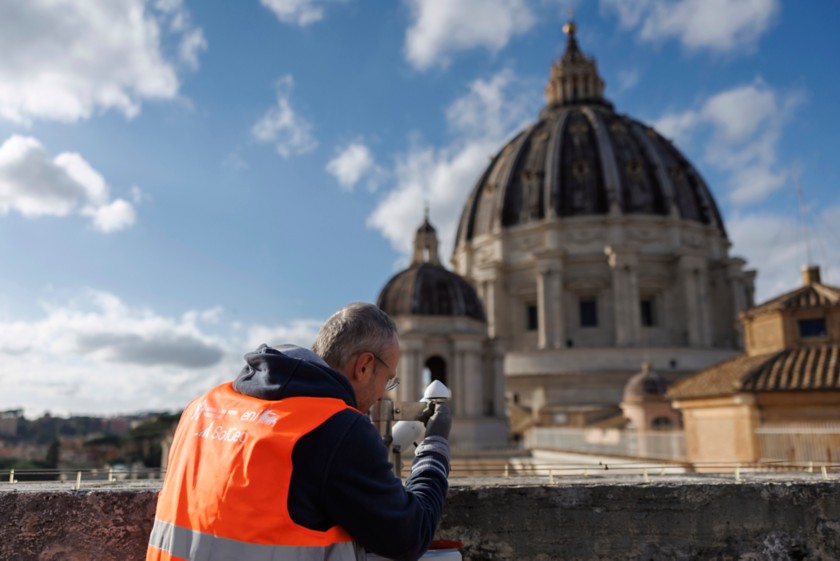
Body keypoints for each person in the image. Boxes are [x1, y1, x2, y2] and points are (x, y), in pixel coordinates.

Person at [147, 302, 452, 561]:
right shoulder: (337, 428)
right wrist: (434, 447)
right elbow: (410, 534)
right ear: (364, 366)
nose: (382, 395)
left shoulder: (201, 407)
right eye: (387, 381)